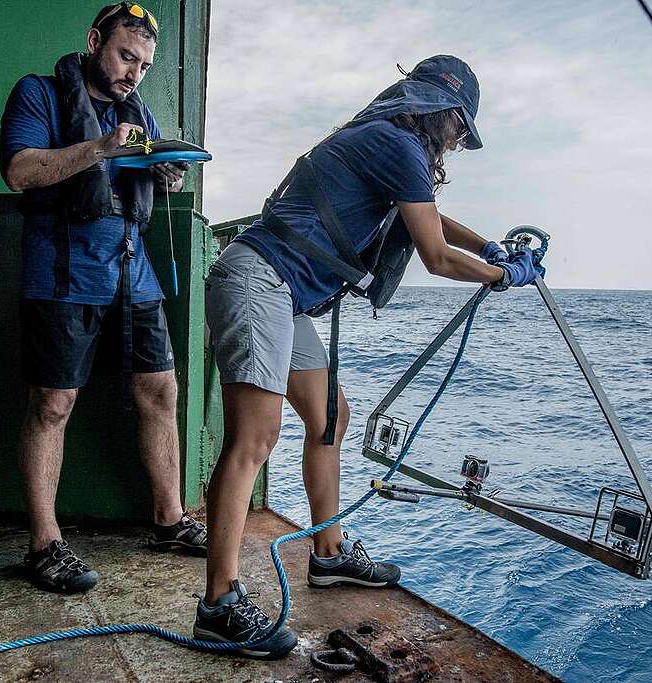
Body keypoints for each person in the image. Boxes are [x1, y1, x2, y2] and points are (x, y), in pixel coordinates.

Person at [194, 55, 545, 657]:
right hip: (258, 280)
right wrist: (501, 273)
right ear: (439, 112)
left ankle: (328, 554)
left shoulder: (391, 144)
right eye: (461, 127)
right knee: (255, 436)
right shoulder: (399, 145)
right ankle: (219, 603)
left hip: (285, 292)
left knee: (331, 415)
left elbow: (427, 217)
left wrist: (488, 243)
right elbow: (434, 252)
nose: (459, 140)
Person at [0, 2, 207, 594]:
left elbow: (132, 176)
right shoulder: (38, 93)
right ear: (95, 41)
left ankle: (169, 521)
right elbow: (19, 170)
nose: (132, 72)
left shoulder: (138, 113)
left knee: (160, 388)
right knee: (54, 403)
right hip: (62, 269)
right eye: (124, 56)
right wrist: (102, 148)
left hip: (131, 268)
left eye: (142, 64)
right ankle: (44, 545)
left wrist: (162, 173)